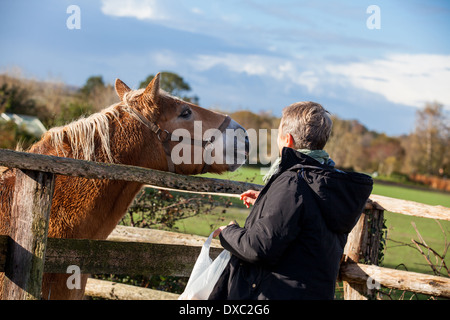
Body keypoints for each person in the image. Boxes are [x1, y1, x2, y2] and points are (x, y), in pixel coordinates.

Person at [209, 101, 373, 300]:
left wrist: (228, 232)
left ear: (287, 140)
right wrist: (266, 201)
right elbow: (308, 217)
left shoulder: (293, 182)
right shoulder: (327, 182)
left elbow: (259, 248)